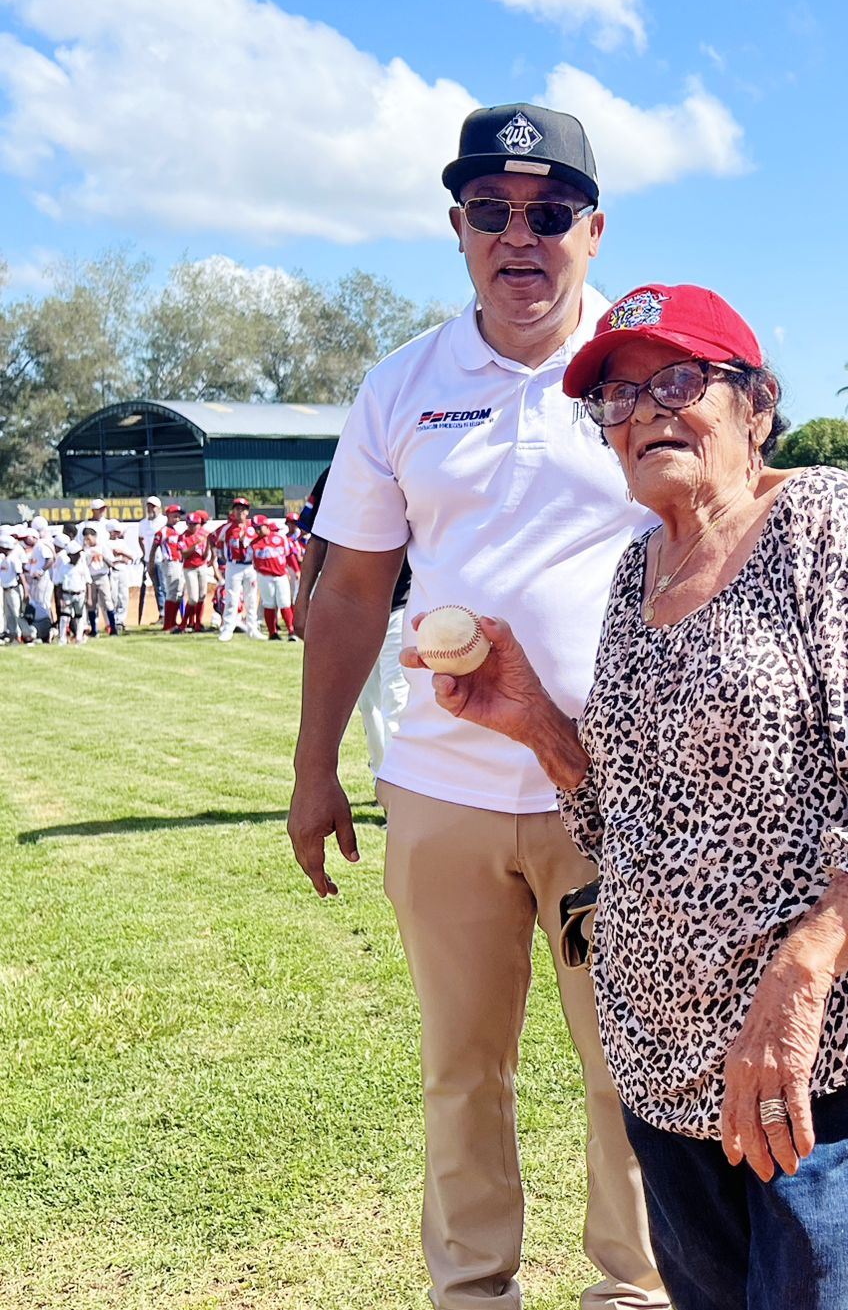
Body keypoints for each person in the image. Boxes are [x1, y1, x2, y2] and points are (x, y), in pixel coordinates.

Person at [414, 282, 848, 1310]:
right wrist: (540, 727)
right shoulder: (634, 573)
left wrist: (799, 979)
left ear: (755, 405)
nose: (644, 412)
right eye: (618, 397)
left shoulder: (817, 521)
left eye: (677, 381)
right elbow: (624, 819)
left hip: (821, 1046)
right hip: (665, 1055)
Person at [287, 103, 668, 1310]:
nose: (521, 237)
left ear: (593, 230)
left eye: (550, 213)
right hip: (444, 783)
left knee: (631, 1068)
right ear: (456, 229)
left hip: (614, 786)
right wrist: (312, 769)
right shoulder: (403, 384)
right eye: (492, 213)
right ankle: (472, 1292)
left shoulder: (647, 373)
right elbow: (349, 588)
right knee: (461, 1069)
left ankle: (635, 1291)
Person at [295, 468, 408, 771]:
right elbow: (317, 541)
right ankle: (382, 779)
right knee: (369, 706)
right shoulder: (336, 472)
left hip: (404, 604)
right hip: (352, 609)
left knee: (398, 702)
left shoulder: (410, 461)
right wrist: (302, 601)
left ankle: (397, 792)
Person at [217, 496, 265, 641]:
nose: (240, 512)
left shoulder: (253, 527)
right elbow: (214, 539)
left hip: (250, 565)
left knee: (251, 598)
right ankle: (228, 629)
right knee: (232, 597)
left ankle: (252, 628)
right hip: (234, 565)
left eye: (243, 509)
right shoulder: (227, 527)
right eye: (237, 509)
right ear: (233, 511)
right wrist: (221, 556)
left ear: (247, 512)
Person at [249, 516, 298, 640]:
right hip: (264, 576)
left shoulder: (280, 538)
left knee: (285, 602)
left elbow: (289, 555)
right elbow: (249, 561)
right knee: (269, 604)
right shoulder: (253, 543)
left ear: (266, 526)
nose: (257, 531)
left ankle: (291, 631)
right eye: (255, 528)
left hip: (281, 574)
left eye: (259, 528)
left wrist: (296, 569)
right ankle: (272, 632)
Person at [153, 504, 186, 630]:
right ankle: (168, 623)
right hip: (170, 562)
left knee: (179, 592)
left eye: (178, 516)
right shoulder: (163, 531)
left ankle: (173, 621)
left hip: (179, 562)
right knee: (172, 592)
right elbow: (154, 547)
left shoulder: (176, 532)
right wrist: (151, 563)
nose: (177, 518)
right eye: (174, 515)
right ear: (168, 515)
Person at [51, 537, 89, 644]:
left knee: (79, 616)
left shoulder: (82, 567)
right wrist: (59, 597)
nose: (78, 556)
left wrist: (88, 597)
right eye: (75, 554)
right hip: (67, 594)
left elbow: (87, 582)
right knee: (64, 617)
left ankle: (79, 637)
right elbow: (58, 583)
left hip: (80, 594)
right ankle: (62, 637)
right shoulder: (64, 568)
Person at [178, 512, 211, 631]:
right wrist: (195, 545)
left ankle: (198, 623)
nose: (193, 527)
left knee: (202, 595)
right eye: (190, 524)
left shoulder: (204, 534)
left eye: (195, 524)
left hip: (201, 566)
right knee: (193, 598)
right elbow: (184, 554)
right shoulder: (183, 536)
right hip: (189, 568)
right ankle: (183, 622)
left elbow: (206, 553)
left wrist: (207, 548)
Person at [137, 494, 165, 623]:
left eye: (153, 507)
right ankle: (162, 613)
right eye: (148, 506)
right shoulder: (143, 523)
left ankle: (167, 614)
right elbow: (141, 539)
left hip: (163, 559)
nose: (150, 509)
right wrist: (145, 554)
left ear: (159, 508)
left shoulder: (163, 521)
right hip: (150, 560)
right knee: (156, 587)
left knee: (164, 586)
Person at [0, 527, 25, 643]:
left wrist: (26, 590)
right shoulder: (3, 560)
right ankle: (11, 634)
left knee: (16, 612)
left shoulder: (13, 559)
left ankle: (20, 635)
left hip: (13, 589)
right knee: (8, 613)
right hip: (5, 589)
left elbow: (21, 576)